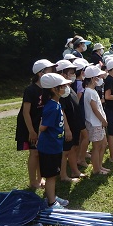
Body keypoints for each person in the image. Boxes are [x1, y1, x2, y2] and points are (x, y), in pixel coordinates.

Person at [16, 59, 57, 190]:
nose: (52, 71)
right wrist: (32, 132)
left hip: (41, 126)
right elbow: (25, 112)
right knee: (34, 153)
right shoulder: (30, 90)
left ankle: (40, 178)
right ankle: (33, 181)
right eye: (50, 69)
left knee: (41, 151)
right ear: (41, 73)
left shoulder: (47, 89)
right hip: (30, 126)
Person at [37, 73, 72, 209]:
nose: (65, 88)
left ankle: (52, 196)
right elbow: (43, 127)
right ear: (53, 89)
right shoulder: (52, 107)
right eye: (62, 86)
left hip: (55, 146)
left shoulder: (56, 104)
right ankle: (51, 203)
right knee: (51, 176)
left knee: (53, 174)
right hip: (49, 147)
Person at [55, 60, 85, 182]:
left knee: (72, 148)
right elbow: (61, 111)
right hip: (68, 126)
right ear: (62, 73)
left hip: (74, 124)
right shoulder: (61, 91)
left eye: (73, 72)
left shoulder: (68, 87)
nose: (73, 75)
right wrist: (67, 129)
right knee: (65, 151)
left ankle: (74, 171)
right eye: (70, 72)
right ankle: (63, 175)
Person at [83, 66, 110, 175]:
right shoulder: (89, 92)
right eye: (99, 77)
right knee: (96, 146)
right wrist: (103, 120)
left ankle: (99, 166)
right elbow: (95, 109)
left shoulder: (92, 91)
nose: (101, 78)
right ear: (93, 78)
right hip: (95, 123)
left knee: (103, 144)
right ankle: (96, 169)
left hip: (98, 123)